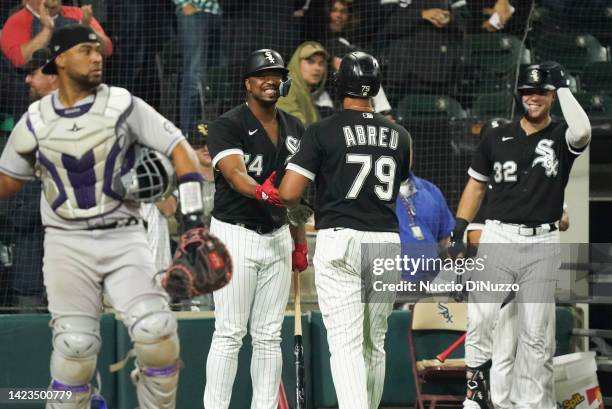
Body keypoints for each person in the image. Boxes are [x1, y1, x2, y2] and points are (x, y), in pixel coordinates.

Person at [0, 24, 210, 409]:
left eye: (98, 50)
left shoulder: (122, 103)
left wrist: (193, 218)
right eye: (85, 50)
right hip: (66, 243)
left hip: (123, 236)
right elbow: (7, 182)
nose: (97, 57)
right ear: (60, 59)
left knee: (157, 333)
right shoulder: (35, 119)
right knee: (74, 349)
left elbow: (179, 147)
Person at [448, 61, 591, 409]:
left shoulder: (561, 136)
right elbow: (476, 186)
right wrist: (459, 229)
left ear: (552, 96)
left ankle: (534, 404)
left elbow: (584, 131)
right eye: (528, 90)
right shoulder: (497, 137)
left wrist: (563, 86)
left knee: (536, 333)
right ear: (520, 94)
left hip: (542, 242)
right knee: (481, 318)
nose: (533, 97)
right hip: (498, 237)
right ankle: (475, 397)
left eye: (541, 91)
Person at [279, 51, 412, 409]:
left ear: (339, 87)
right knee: (375, 343)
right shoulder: (401, 136)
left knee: (347, 345)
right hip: (386, 241)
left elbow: (289, 192)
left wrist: (300, 210)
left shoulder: (322, 131)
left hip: (342, 241)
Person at [204, 48, 308, 409]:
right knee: (230, 333)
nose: (271, 80)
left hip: (277, 235)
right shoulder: (227, 124)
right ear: (247, 83)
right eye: (263, 74)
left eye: (277, 74)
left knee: (267, 336)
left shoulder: (295, 127)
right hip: (234, 233)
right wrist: (259, 190)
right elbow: (234, 174)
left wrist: (299, 242)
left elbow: (296, 195)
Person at [317, 0, 393, 118]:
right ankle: (383, 112)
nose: (339, 15)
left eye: (343, 11)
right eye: (334, 10)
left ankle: (383, 112)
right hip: (325, 92)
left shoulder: (348, 40)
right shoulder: (318, 38)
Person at [1, 0, 112, 68]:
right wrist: (47, 30)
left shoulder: (78, 13)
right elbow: (19, 60)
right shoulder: (16, 22)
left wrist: (86, 29)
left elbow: (107, 50)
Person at [172, 0, 223, 133]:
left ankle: (200, 133)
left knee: (207, 77)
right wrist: (184, 3)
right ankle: (188, 134)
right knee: (194, 75)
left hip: (215, 11)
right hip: (194, 11)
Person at [276, 41, 328, 127]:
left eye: (321, 63)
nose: (317, 68)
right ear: (297, 63)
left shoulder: (305, 92)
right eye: (311, 62)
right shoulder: (286, 87)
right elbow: (295, 126)